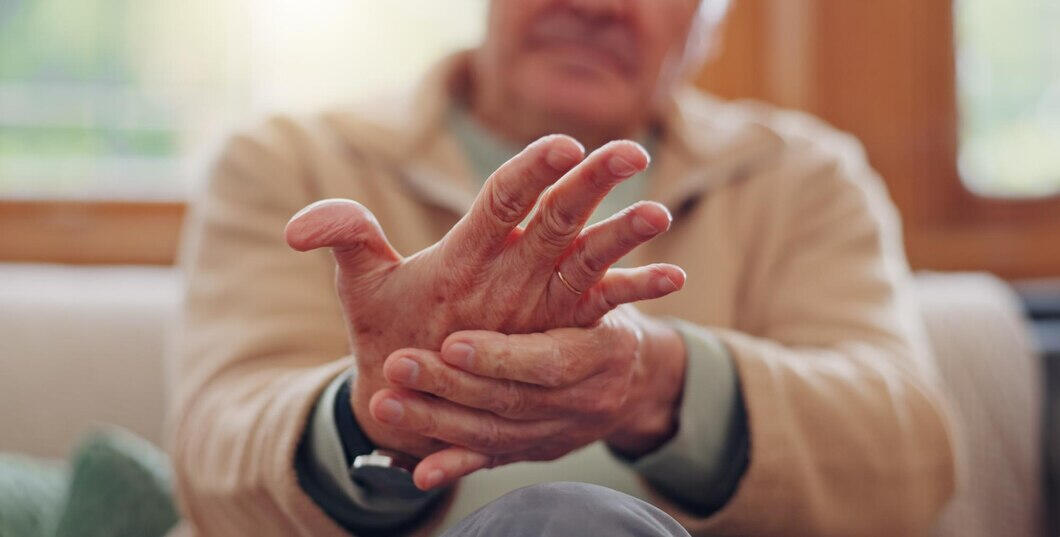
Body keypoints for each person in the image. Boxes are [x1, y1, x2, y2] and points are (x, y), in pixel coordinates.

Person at [171, 0, 957, 535]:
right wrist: (379, 414)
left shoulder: (802, 177)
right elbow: (212, 457)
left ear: (708, 20)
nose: (598, 4)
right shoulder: (289, 163)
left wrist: (661, 382)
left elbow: (909, 457)